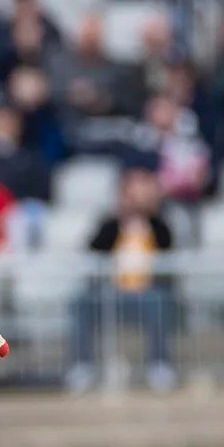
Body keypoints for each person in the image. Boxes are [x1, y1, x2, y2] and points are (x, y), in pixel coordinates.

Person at [67, 168, 178, 394]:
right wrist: (122, 226)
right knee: (80, 302)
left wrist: (146, 228)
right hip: (111, 294)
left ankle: (159, 364)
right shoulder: (110, 224)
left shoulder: (160, 226)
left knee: (158, 302)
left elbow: (170, 261)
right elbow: (92, 253)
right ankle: (83, 365)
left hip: (148, 294)